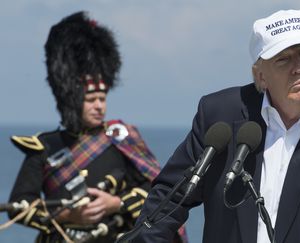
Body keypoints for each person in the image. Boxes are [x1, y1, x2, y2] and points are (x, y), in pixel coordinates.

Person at [132, 9, 300, 243]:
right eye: (283, 59)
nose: (299, 67)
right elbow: (169, 200)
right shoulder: (219, 114)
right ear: (260, 75)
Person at [8, 11, 187, 243]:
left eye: (102, 98)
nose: (99, 106)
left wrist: (116, 203)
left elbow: (156, 193)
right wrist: (66, 215)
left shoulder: (120, 139)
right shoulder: (44, 147)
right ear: (71, 99)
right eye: (91, 99)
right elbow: (18, 207)